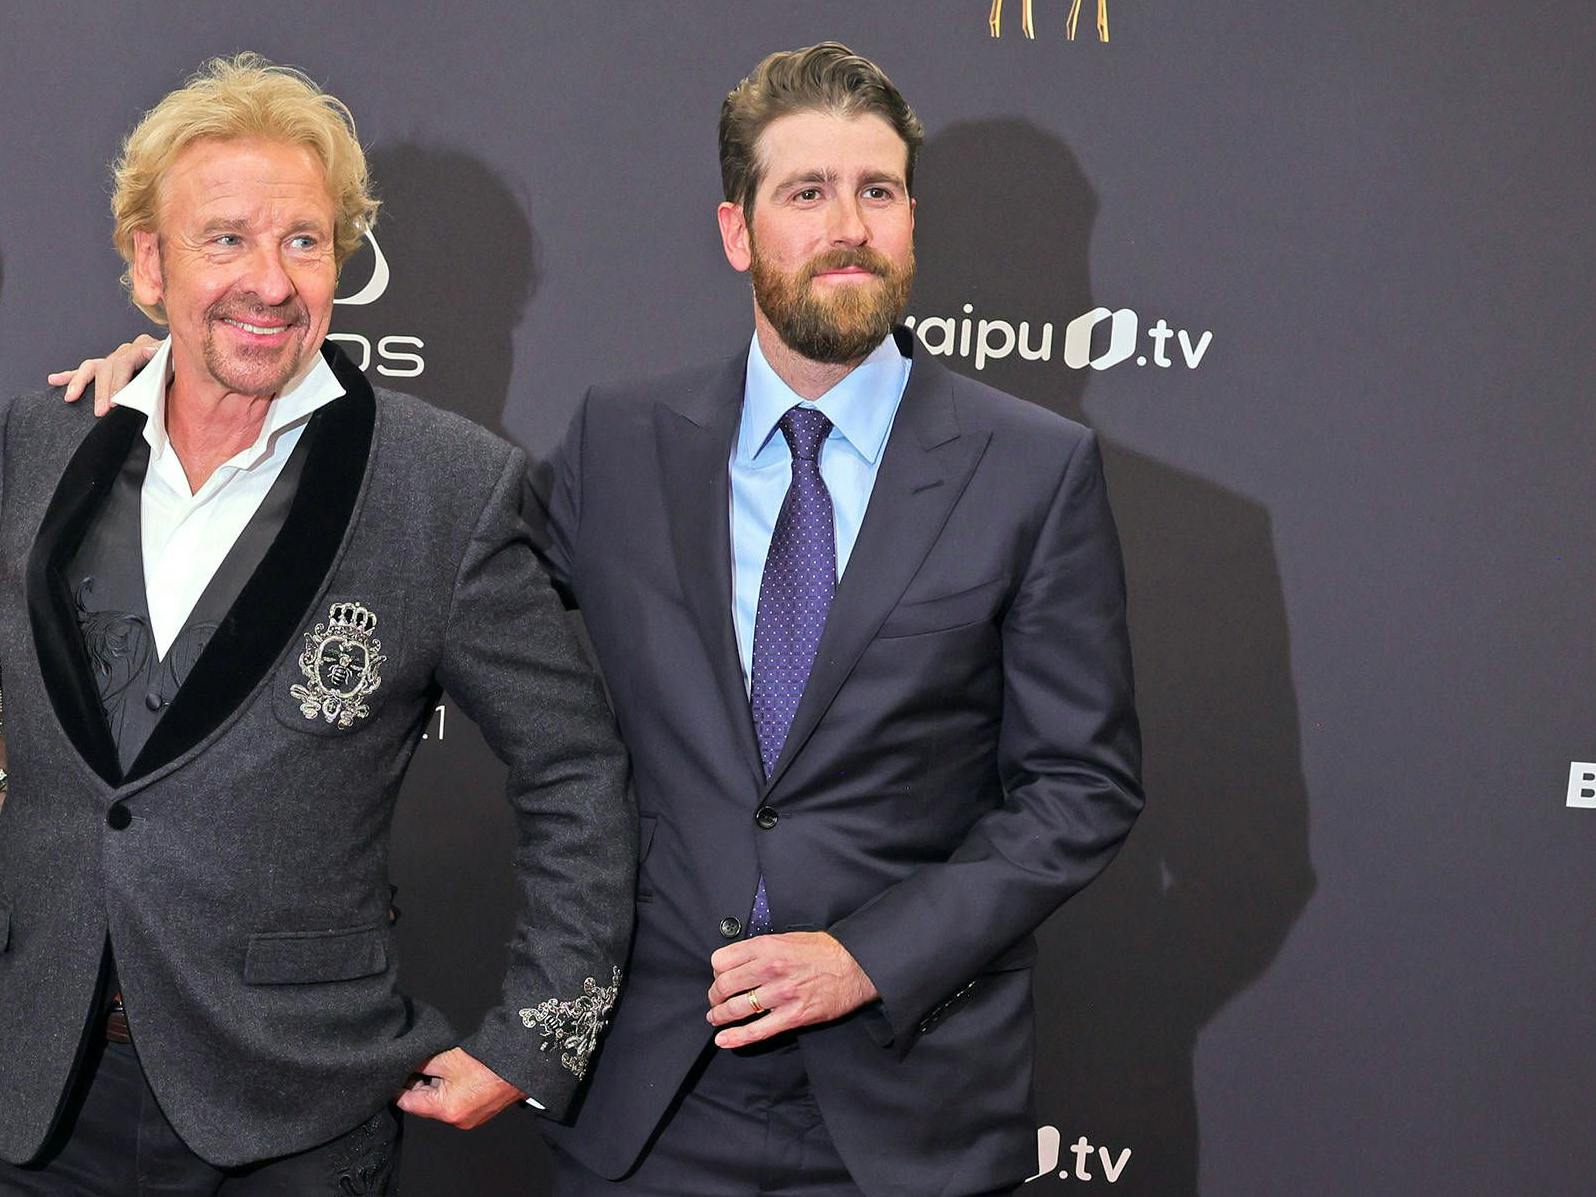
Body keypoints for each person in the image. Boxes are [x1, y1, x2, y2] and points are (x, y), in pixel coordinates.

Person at [61, 41, 1142, 1197]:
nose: (848, 226)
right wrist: (187, 391)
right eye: (806, 192)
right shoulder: (626, 443)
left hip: (907, 1092)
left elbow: (1080, 789)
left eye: (877, 192)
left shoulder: (1035, 470)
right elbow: (414, 537)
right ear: (738, 232)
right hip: (652, 1096)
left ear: (912, 220)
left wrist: (870, 960)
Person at [3, 54, 635, 1195]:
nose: (271, 280)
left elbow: (578, 770)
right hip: (35, 1098)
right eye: (227, 239)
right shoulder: (43, 449)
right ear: (149, 264)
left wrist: (541, 1034)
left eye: (305, 241)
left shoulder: (447, 487)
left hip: (291, 1112)